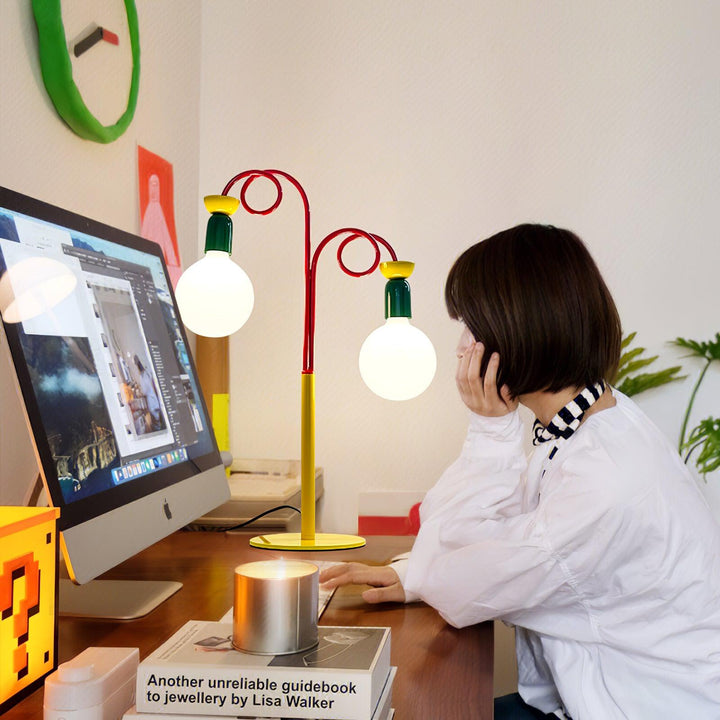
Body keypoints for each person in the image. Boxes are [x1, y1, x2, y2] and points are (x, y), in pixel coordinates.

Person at [320, 225, 720, 720]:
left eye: (471, 327)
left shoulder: (601, 480)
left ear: (518, 328)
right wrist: (414, 575)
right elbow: (509, 540)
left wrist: (489, 431)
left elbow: (461, 589)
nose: (461, 347)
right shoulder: (600, 419)